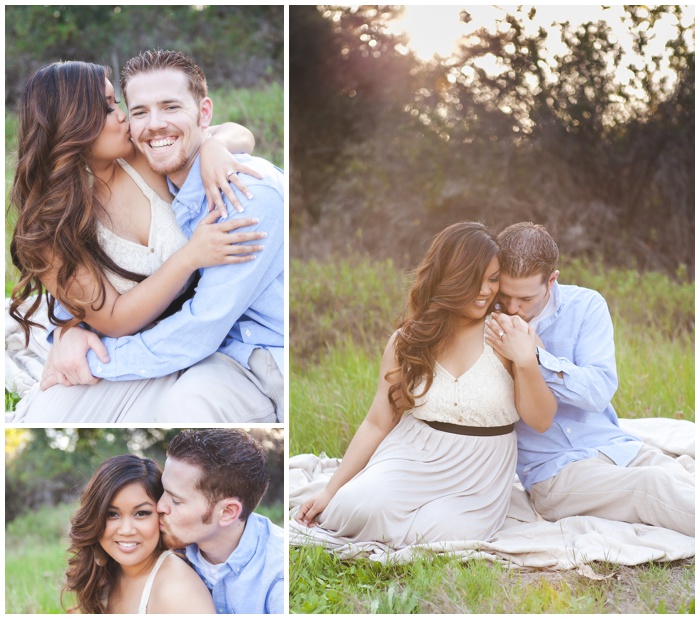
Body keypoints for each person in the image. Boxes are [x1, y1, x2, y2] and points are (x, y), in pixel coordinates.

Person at [29, 50, 285, 424]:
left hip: (204, 342)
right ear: (71, 123)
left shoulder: (144, 155)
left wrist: (217, 144)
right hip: (140, 342)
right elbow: (104, 315)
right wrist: (67, 333)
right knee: (50, 413)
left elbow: (218, 133)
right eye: (107, 108)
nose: (122, 117)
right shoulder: (47, 230)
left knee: (181, 408)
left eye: (116, 104)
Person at [295, 222, 557, 547]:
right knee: (355, 510)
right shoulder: (409, 340)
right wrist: (330, 491)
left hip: (479, 471)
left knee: (438, 538)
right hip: (414, 452)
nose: (485, 290)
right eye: (473, 279)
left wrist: (526, 362)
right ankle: (364, 495)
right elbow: (378, 421)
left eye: (492, 279)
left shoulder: (510, 333)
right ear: (448, 278)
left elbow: (542, 420)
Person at [487, 222, 694, 537]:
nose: (513, 308)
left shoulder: (585, 306)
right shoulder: (488, 324)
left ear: (551, 281)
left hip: (614, 445)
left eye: (526, 299)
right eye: (505, 295)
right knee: (652, 485)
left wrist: (538, 357)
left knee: (678, 478)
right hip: (555, 472)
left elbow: (598, 392)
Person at [63, 454, 216, 614]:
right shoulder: (107, 572)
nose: (126, 530)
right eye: (112, 514)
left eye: (141, 513)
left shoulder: (177, 591)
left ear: (161, 515)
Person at [158, 429, 284, 614]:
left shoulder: (278, 575)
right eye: (163, 491)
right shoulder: (164, 545)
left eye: (176, 501)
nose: (159, 506)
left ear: (227, 512)